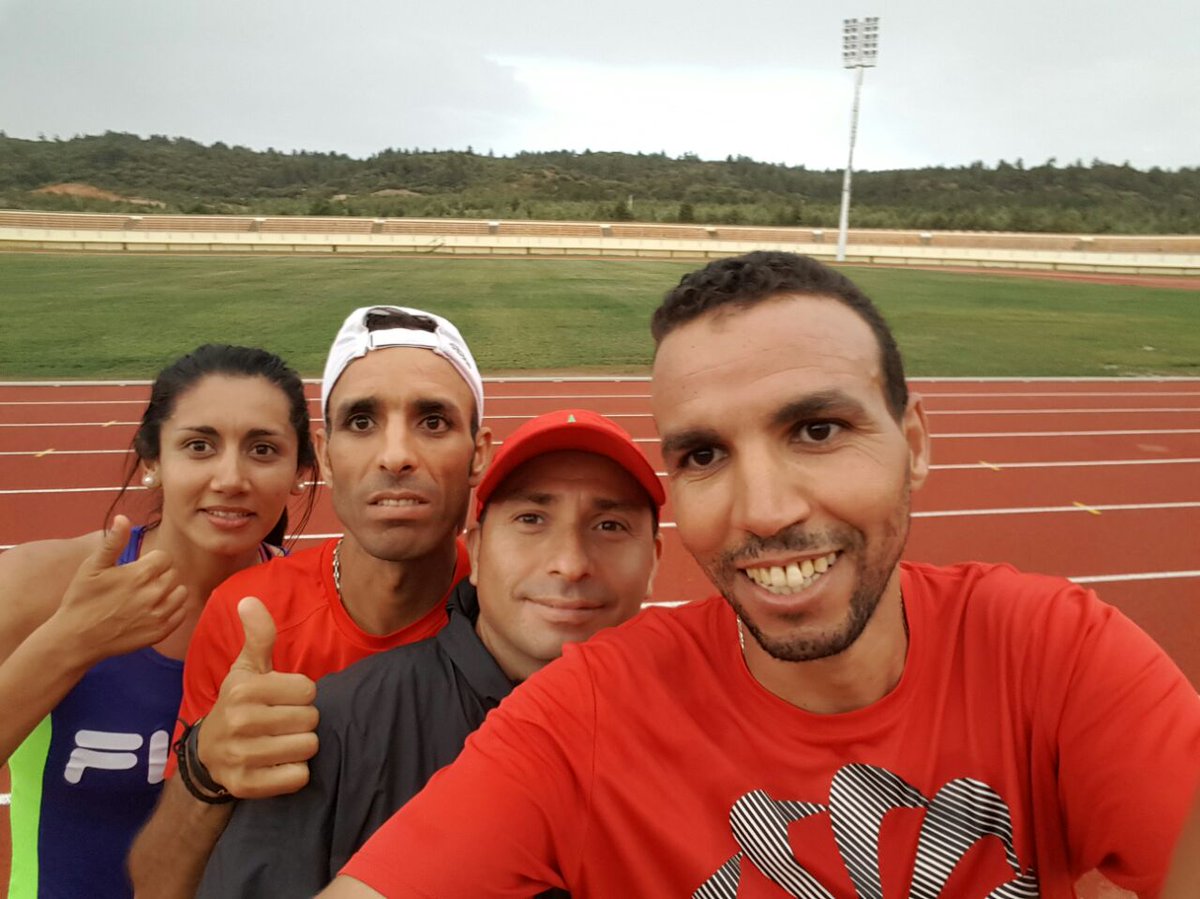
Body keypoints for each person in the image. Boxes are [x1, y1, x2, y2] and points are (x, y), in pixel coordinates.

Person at [322, 252, 1200, 898]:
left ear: (917, 443)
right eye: (705, 453)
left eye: (816, 429)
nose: (765, 509)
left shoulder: (1051, 654)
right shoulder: (590, 712)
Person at [195, 409, 664, 897]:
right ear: (477, 552)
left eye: (609, 526)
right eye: (531, 519)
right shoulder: (328, 734)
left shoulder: (700, 728)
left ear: (653, 561)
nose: (569, 563)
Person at [128, 306, 492, 897]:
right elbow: (158, 887)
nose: (395, 455)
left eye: (432, 421)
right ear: (323, 454)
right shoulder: (249, 615)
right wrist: (206, 769)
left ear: (479, 454)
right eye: (361, 421)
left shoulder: (515, 616)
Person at [0, 343, 317, 899]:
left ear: (299, 471)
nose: (230, 477)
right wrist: (70, 643)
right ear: (153, 461)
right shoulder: (37, 582)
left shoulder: (313, 609)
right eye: (199, 446)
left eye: (263, 450)